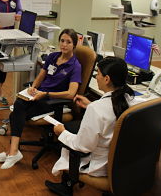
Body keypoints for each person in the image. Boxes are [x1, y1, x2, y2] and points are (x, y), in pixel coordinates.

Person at [45, 56, 140, 195]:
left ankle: (68, 184)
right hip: (122, 161)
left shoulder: (96, 109)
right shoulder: (129, 99)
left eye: (99, 74)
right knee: (74, 128)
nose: (96, 77)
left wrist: (61, 132)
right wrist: (90, 105)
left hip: (100, 165)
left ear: (107, 79)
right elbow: (111, 115)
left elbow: (82, 146)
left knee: (66, 136)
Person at [0, 28, 82, 169]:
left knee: (17, 109)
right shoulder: (53, 56)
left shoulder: (75, 66)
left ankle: (12, 151)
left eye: (68, 42)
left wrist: (46, 94)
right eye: (62, 41)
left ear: (74, 45)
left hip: (53, 101)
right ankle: (13, 152)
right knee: (19, 105)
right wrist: (33, 87)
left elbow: (71, 94)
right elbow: (41, 76)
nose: (64, 44)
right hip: (39, 96)